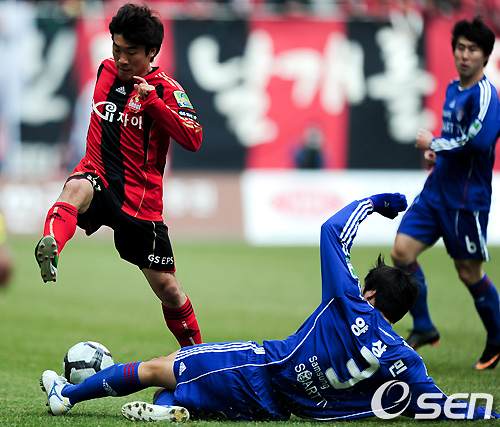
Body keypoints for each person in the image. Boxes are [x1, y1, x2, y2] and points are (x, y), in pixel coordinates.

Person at [40, 193, 498, 421]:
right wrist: (486, 412)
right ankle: (168, 410)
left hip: (260, 367)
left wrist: (375, 203)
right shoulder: (402, 357)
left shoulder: (350, 304)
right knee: (181, 379)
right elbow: (435, 402)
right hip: (279, 406)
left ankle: (66, 396)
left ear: (372, 295)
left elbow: (332, 230)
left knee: (161, 366)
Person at [34, 3, 203, 347]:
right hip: (97, 175)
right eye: (117, 49)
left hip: (140, 202)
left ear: (152, 51)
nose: (122, 59)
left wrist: (153, 104)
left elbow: (193, 139)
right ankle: (51, 244)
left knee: (169, 289)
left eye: (132, 52)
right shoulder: (105, 71)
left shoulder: (167, 90)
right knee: (76, 189)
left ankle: (197, 357)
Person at [390, 17, 500, 370]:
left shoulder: (486, 95)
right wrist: (436, 155)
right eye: (460, 48)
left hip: (466, 200)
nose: (465, 55)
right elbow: (457, 140)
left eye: (473, 49)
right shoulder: (453, 89)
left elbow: (479, 142)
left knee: (468, 273)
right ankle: (424, 325)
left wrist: (435, 142)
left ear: (486, 56)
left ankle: (497, 337)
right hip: (435, 192)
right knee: (401, 252)